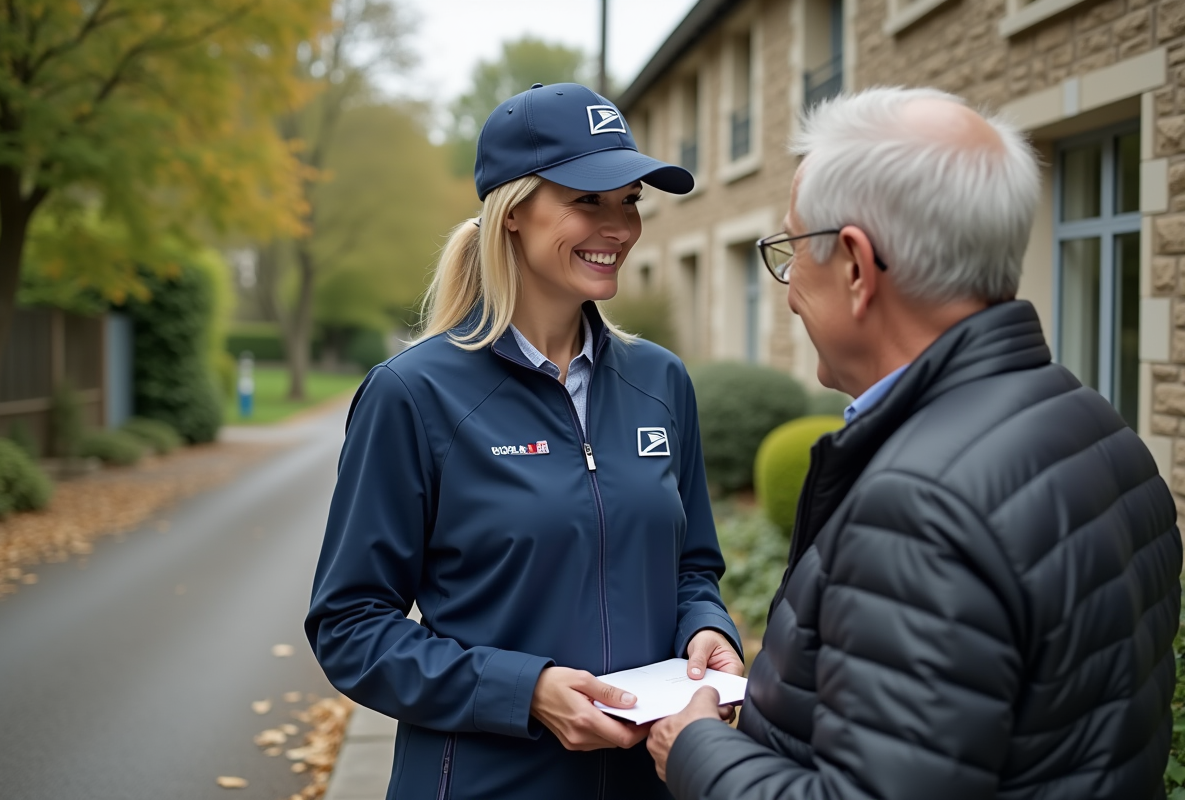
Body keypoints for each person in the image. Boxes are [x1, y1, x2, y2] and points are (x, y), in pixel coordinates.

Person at [648, 86, 1182, 800]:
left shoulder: (917, 506)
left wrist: (696, 751)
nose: (786, 292)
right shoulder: (1099, 430)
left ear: (856, 267)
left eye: (790, 251)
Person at [305, 82, 743, 800]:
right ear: (514, 212)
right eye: (588, 200)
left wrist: (707, 629)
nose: (620, 227)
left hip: (651, 782)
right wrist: (524, 690)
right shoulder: (415, 394)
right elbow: (351, 627)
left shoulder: (661, 382)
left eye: (630, 201)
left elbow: (692, 567)